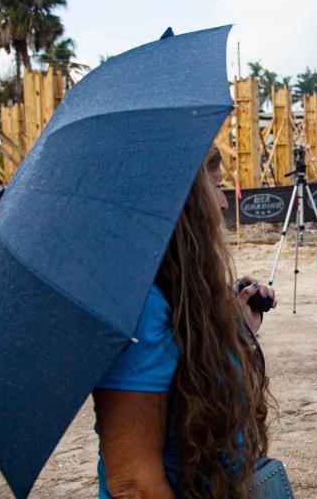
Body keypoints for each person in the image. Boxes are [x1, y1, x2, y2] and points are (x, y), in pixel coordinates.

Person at [93, 147, 276, 499]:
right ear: (182, 201)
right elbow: (134, 483)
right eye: (215, 185)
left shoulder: (179, 290)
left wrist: (233, 329)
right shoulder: (140, 308)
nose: (224, 204)